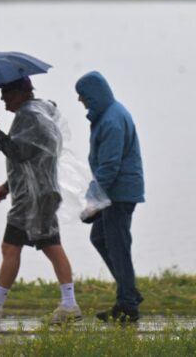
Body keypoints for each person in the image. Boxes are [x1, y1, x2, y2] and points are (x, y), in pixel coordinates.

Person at [0, 77, 82, 325]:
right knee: (50, 245)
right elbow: (35, 158)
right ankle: (69, 304)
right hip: (44, 191)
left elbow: (19, 153)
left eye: (6, 93)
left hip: (31, 197)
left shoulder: (28, 116)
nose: (3, 99)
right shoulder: (42, 112)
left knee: (11, 247)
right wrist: (7, 186)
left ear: (19, 93)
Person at [75, 71, 145, 324]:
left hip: (119, 193)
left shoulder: (112, 121)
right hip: (116, 192)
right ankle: (130, 291)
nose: (81, 102)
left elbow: (110, 166)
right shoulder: (109, 115)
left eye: (83, 97)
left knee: (118, 247)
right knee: (101, 238)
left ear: (94, 95)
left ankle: (128, 305)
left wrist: (92, 201)